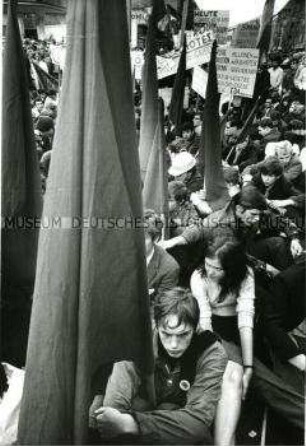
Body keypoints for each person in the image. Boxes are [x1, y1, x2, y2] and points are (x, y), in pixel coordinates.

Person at [89, 288, 228, 444]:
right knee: (97, 414)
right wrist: (118, 421)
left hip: (176, 425)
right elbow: (114, 409)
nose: (174, 344)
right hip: (143, 408)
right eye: (166, 334)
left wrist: (132, 423)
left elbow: (198, 420)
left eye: (183, 335)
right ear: (156, 324)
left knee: (198, 436)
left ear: (195, 327)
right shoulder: (139, 337)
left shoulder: (212, 352)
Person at [191, 234, 255, 445]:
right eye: (208, 264)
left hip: (238, 331)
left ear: (232, 267)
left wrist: (248, 366)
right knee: (228, 377)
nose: (211, 271)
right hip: (210, 332)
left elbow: (245, 320)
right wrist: (219, 359)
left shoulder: (245, 275)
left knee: (238, 378)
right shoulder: (198, 276)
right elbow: (205, 321)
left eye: (218, 268)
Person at [144, 210, 179, 299]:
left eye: (143, 239)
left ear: (155, 239)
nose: (135, 244)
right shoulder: (120, 252)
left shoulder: (169, 268)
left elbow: (160, 307)